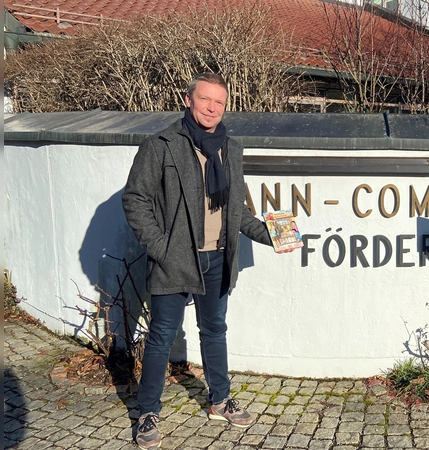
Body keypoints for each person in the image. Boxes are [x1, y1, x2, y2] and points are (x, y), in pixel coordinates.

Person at [122, 72, 291, 449]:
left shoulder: (229, 148)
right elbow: (135, 199)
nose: (212, 107)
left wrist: (273, 236)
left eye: (219, 102)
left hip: (218, 258)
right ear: (189, 100)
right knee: (163, 335)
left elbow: (237, 212)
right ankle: (148, 411)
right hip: (175, 259)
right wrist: (161, 247)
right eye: (205, 100)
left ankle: (219, 400)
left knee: (214, 330)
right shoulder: (162, 145)